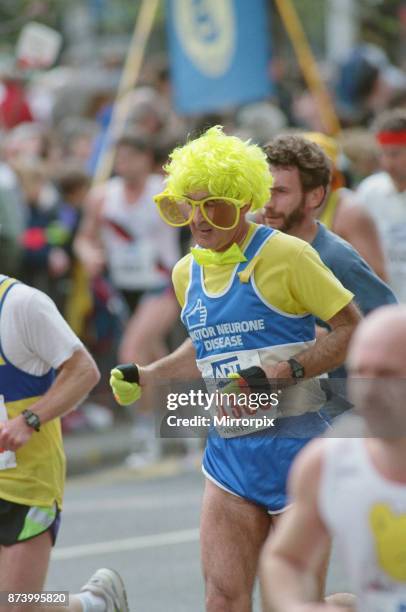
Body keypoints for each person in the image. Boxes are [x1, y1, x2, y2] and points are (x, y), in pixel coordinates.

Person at [110, 126, 361, 611]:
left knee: (289, 603)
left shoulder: (288, 256)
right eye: (187, 207)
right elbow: (201, 348)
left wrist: (279, 375)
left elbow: (351, 330)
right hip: (229, 453)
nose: (199, 222)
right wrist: (148, 373)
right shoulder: (188, 271)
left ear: (244, 202)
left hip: (298, 447)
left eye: (215, 208)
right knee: (222, 600)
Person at [260, 304, 406, 612]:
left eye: (386, 374)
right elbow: (287, 560)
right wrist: (299, 607)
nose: (369, 388)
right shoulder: (328, 462)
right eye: (360, 372)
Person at [0, 274, 128, 612]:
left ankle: (90, 604)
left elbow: (83, 371)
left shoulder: (21, 305)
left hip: (26, 485)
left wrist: (30, 419)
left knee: (16, 606)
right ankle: (91, 604)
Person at [261, 134, 397, 416]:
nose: (268, 204)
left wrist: (328, 337)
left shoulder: (336, 257)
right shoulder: (261, 249)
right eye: (264, 190)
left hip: (339, 414)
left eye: (281, 192)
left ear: (315, 196)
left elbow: (388, 327)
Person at [301, 132, 388, 281]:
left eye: (316, 172)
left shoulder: (350, 212)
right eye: (303, 173)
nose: (310, 181)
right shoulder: (278, 209)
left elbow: (375, 279)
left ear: (332, 174)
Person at [357, 108, 406, 303]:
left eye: (395, 154)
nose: (387, 163)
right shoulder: (369, 191)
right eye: (383, 154)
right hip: (386, 309)